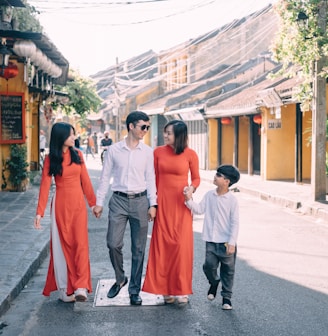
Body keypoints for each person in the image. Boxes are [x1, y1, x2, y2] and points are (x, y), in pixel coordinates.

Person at [93, 111, 157, 306]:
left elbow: (151, 178)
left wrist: (153, 203)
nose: (145, 131)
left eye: (147, 127)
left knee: (138, 249)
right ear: (131, 126)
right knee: (113, 243)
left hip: (140, 201)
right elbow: (105, 178)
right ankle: (120, 278)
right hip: (118, 201)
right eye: (142, 127)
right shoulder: (113, 150)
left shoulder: (147, 152)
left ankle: (134, 291)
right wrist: (99, 202)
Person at [34, 122, 96, 303]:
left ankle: (81, 286)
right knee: (62, 247)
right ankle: (64, 288)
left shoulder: (78, 155)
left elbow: (86, 181)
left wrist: (93, 205)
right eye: (70, 135)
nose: (74, 137)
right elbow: (45, 187)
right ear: (61, 137)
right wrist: (40, 213)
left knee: (80, 244)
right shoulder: (50, 159)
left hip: (78, 206)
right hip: (60, 206)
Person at [142, 120, 200, 305]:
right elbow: (152, 179)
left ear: (179, 135)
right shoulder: (157, 152)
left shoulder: (190, 154)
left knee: (181, 247)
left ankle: (181, 289)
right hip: (163, 204)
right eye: (165, 132)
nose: (165, 136)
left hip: (182, 205)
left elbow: (196, 178)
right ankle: (165, 289)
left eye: (169, 133)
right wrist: (153, 204)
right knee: (163, 246)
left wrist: (191, 189)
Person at [184, 164, 240, 310]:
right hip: (210, 240)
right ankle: (214, 282)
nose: (215, 177)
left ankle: (226, 298)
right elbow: (199, 209)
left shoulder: (232, 200)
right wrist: (188, 200)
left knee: (228, 271)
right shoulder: (209, 195)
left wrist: (232, 242)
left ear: (227, 181)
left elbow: (235, 222)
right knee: (208, 266)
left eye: (218, 175)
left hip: (226, 242)